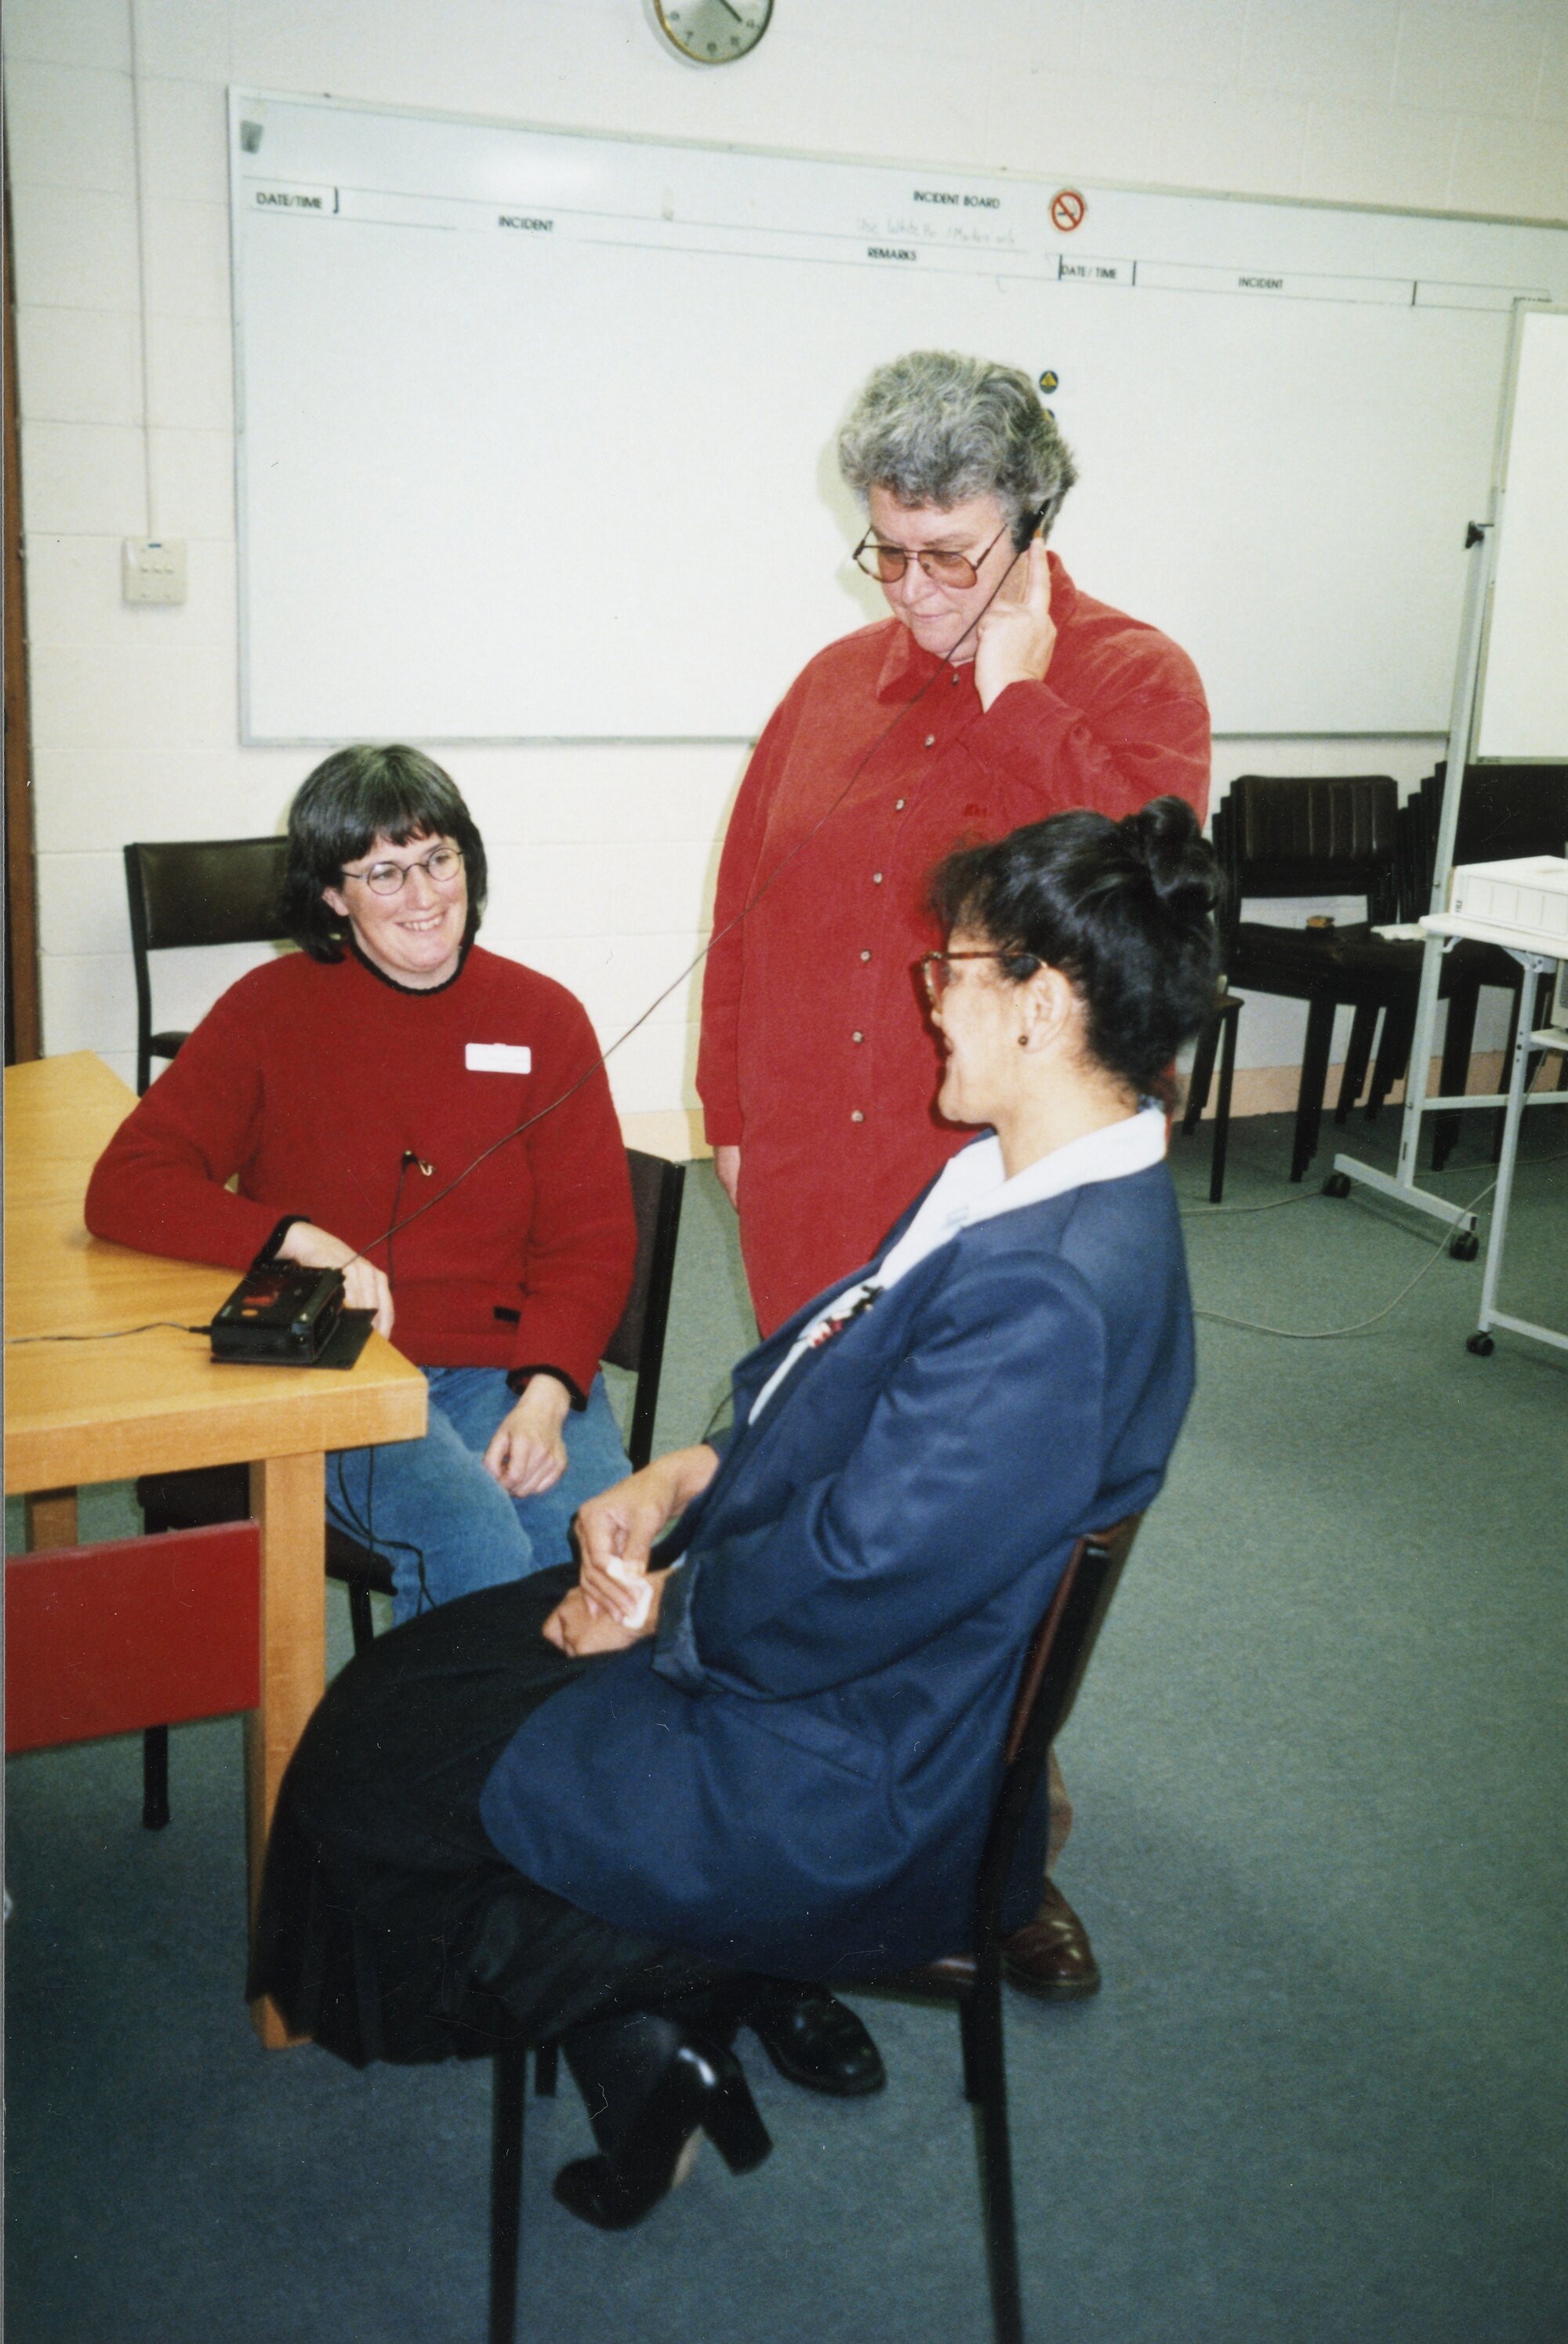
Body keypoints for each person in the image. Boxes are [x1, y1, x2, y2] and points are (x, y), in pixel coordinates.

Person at [251, 798, 1220, 2235]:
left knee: (384, 1759)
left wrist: (651, 1612)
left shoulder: (1056, 1290)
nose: (926, 996)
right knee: (415, 1687)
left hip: (852, 1753)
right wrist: (684, 1477)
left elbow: (851, 1579)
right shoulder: (1017, 1176)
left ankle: (659, 2009)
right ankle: (660, 2024)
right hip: (829, 1664)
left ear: (1043, 1003)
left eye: (948, 966)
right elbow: (820, 1376)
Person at [697, 347, 1212, 2000]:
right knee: (807, 1490)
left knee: (965, 1537)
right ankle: (812, 1817)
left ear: (1031, 528)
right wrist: (725, 1093)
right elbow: (744, 894)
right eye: (888, 550)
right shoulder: (829, 681)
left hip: (975, 1190)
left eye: (949, 555)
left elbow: (1130, 921)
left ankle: (993, 1845)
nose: (911, 590)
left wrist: (1014, 688)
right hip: (799, 1151)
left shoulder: (1132, 682)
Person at [85, 744, 637, 1617]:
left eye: (438, 859)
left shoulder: (545, 1017)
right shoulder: (268, 1010)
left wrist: (548, 1392)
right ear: (332, 896)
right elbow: (126, 1182)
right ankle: (443, 1756)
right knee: (475, 1539)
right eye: (383, 873)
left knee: (600, 1556)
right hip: (343, 1364)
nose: (424, 898)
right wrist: (296, 1238)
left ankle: (545, 1755)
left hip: (509, 1363)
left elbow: (592, 1238)